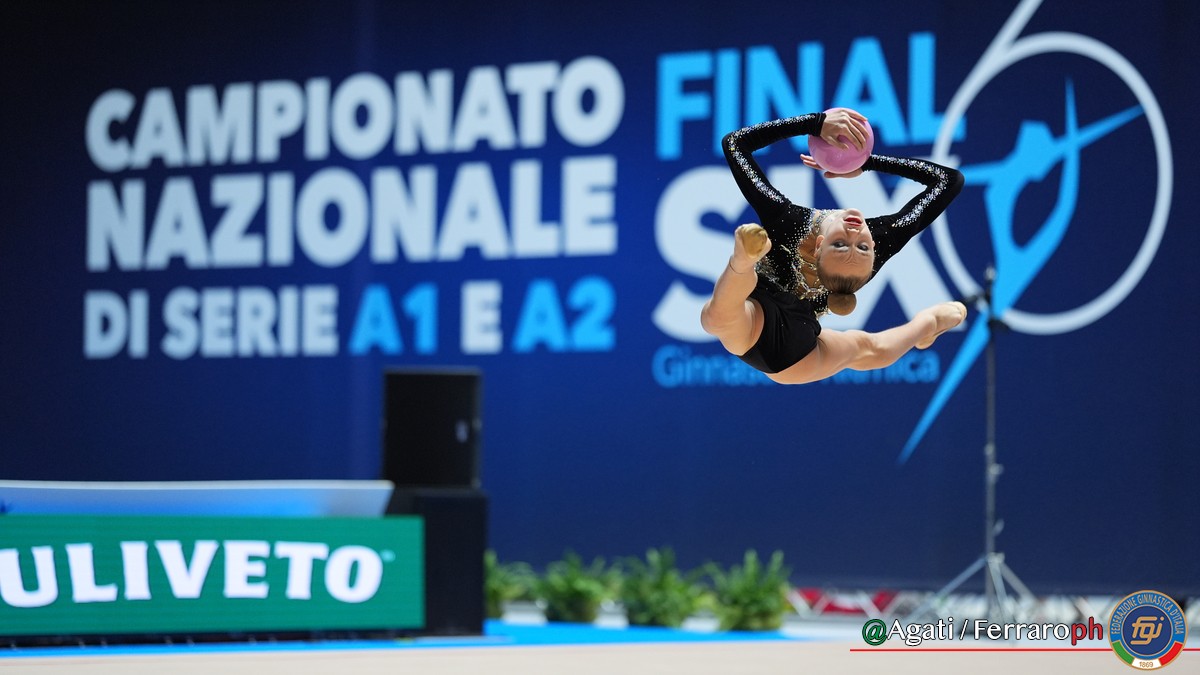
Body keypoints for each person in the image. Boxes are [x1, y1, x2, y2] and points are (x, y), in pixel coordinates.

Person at [700, 108, 967, 385]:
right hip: (796, 336)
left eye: (840, 245)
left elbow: (735, 143)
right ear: (873, 250)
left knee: (714, 319)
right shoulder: (881, 237)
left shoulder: (787, 222)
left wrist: (813, 124)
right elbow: (949, 181)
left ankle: (743, 260)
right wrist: (866, 162)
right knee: (868, 348)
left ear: (818, 247)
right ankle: (928, 324)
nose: (855, 233)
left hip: (780, 344)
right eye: (862, 247)